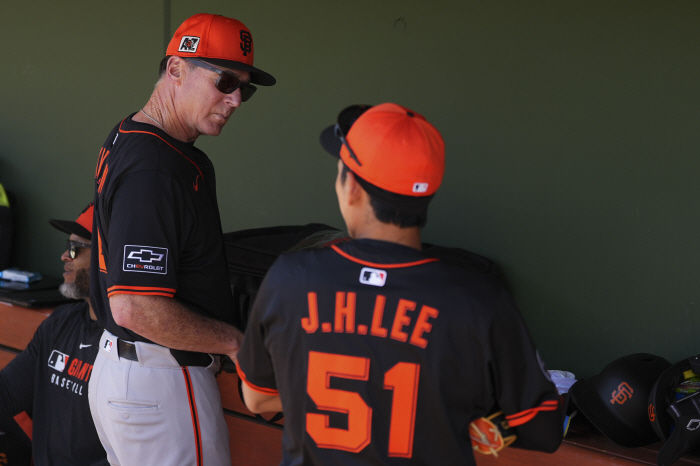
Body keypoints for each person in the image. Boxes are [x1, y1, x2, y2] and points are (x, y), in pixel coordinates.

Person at [236, 103, 563, 465]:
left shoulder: (290, 278)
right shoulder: (478, 300)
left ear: (353, 187)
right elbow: (542, 429)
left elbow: (257, 399)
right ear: (426, 194)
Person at [88, 13, 276, 466]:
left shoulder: (138, 136)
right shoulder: (154, 167)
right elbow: (135, 306)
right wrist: (234, 341)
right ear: (176, 70)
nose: (235, 99)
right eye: (225, 81)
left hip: (133, 377)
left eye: (244, 88)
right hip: (160, 380)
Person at [0, 202, 108, 465]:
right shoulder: (60, 322)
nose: (65, 256)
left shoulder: (135, 343)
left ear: (108, 258)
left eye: (75, 248)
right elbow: (6, 394)